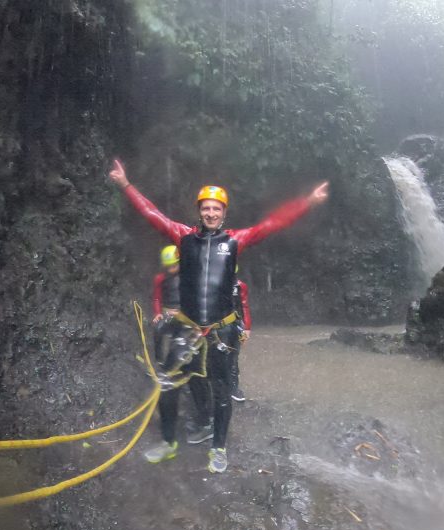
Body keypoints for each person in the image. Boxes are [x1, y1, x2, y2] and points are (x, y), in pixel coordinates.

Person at [109, 159, 328, 473]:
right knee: (168, 383)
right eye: (206, 208)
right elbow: (151, 214)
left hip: (221, 331)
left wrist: (307, 203)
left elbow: (273, 224)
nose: (211, 213)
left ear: (224, 213)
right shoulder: (183, 237)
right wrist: (125, 185)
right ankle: (169, 443)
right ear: (200, 211)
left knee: (222, 391)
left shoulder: (235, 241)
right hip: (189, 328)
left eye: (216, 209)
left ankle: (219, 448)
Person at [151, 245, 213, 445]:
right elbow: (158, 297)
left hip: (193, 328)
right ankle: (161, 364)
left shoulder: (190, 277)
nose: (171, 269)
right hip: (176, 323)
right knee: (160, 334)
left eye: (173, 266)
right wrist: (160, 313)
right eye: (167, 266)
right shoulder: (162, 279)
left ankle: (206, 421)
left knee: (196, 375)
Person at [230, 270, 251, 402]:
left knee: (233, 357)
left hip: (234, 325)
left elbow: (244, 307)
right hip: (212, 325)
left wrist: (247, 329)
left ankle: (233, 388)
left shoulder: (240, 286)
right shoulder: (210, 283)